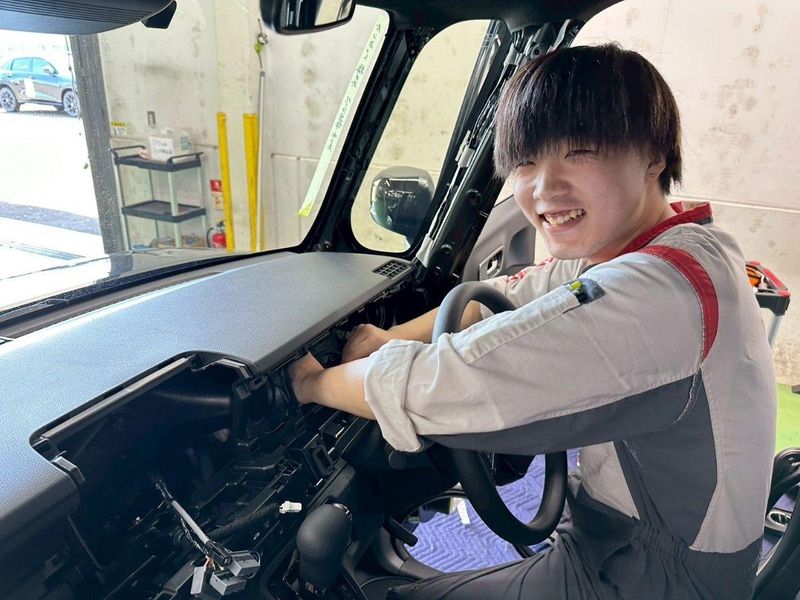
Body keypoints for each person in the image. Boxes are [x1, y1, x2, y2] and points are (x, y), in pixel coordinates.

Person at [290, 44, 776, 599]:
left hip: (654, 577)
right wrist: (386, 339)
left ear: (653, 157)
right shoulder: (671, 249)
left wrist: (312, 384)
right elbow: (513, 292)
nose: (545, 187)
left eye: (580, 152)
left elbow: (446, 387)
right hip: (624, 543)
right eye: (525, 162)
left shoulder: (661, 294)